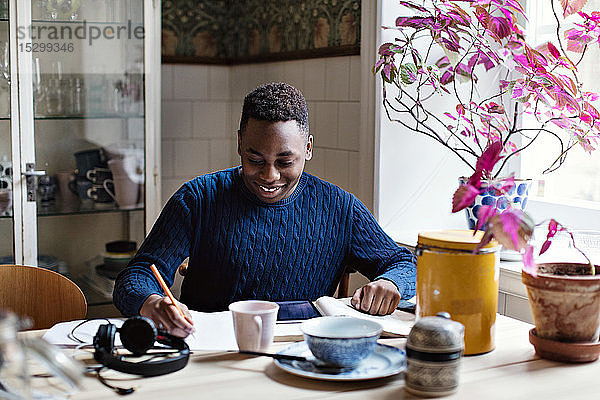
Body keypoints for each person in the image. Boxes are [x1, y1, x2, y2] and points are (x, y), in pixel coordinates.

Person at [113, 83, 416, 338]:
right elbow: (135, 276)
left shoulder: (340, 208)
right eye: (255, 159)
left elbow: (406, 264)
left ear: (308, 148)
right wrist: (152, 302)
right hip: (210, 349)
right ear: (240, 143)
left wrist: (390, 283)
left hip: (301, 350)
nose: (269, 176)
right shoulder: (198, 198)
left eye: (285, 161)